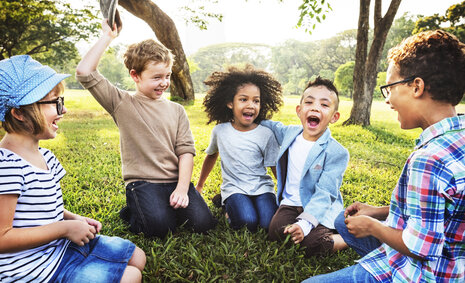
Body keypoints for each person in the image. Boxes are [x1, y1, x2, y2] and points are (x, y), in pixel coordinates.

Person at [304, 30, 465, 282]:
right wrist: (378, 211)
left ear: (416, 86)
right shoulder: (458, 134)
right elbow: (441, 206)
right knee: (342, 220)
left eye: (389, 87)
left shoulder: (429, 159)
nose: (388, 100)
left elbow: (422, 249)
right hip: (457, 263)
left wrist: (373, 227)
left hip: (423, 273)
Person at [0, 55, 146, 282]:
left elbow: (41, 210)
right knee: (131, 276)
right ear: (19, 112)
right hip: (36, 271)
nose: (64, 110)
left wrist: (73, 219)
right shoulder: (7, 167)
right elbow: (3, 238)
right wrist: (64, 229)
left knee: (138, 258)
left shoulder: (45, 156)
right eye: (55, 103)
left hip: (59, 248)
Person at [75, 20, 216, 238]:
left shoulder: (177, 110)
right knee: (159, 229)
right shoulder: (121, 102)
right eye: (157, 77)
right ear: (135, 76)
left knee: (203, 224)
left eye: (167, 76)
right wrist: (107, 36)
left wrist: (181, 188)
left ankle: (163, 207)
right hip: (143, 183)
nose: (164, 83)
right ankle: (133, 209)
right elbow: (84, 72)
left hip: (175, 181)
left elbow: (186, 152)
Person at [261, 76, 349, 257]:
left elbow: (325, 193)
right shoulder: (289, 133)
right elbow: (269, 125)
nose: (315, 107)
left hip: (319, 207)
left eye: (324, 105)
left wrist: (304, 224)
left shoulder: (337, 152)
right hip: (290, 204)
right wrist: (248, 115)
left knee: (311, 244)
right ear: (299, 111)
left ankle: (347, 237)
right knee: (276, 233)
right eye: (309, 102)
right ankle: (304, 230)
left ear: (334, 117)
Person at [196, 65, 282, 232]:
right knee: (246, 222)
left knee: (267, 225)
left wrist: (287, 192)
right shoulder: (220, 131)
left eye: (256, 101)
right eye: (243, 99)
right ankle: (227, 206)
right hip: (234, 187)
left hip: (262, 187)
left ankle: (230, 204)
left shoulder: (266, 134)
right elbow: (211, 156)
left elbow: (274, 166)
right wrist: (200, 185)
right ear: (230, 103)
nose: (251, 105)